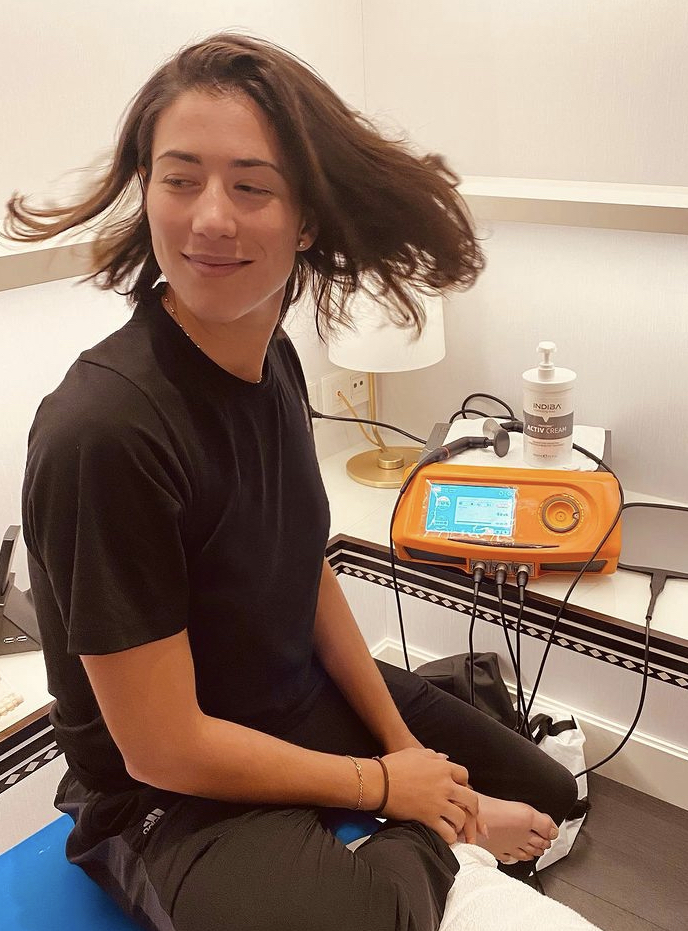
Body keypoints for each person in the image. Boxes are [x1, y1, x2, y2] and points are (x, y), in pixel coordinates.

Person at [6, 33, 577, 931]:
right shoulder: (104, 433)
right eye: (180, 179)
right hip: (164, 794)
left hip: (288, 698)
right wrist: (396, 790)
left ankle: (434, 838)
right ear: (147, 189)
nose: (210, 218)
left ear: (306, 218)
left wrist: (405, 748)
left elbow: (300, 570)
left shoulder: (272, 356)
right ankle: (443, 853)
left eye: (251, 186)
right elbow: (161, 746)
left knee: (548, 787)